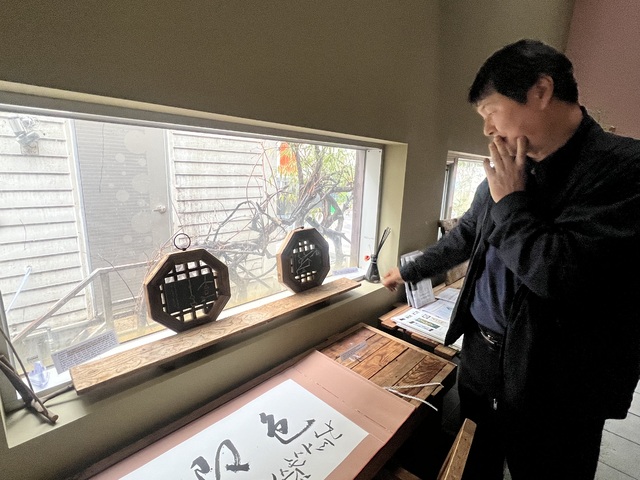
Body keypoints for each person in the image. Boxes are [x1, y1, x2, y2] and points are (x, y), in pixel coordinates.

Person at [382, 39, 640, 480]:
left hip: (559, 381)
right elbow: (465, 236)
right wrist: (410, 270)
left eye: (491, 111)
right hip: (482, 354)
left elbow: (559, 274)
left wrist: (511, 201)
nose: (488, 129)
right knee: (473, 460)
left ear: (541, 91)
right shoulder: (508, 170)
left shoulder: (624, 170)